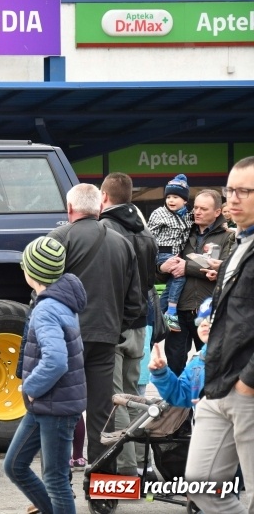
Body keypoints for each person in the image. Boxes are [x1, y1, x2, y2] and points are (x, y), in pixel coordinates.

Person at [47, 183, 142, 471]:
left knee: (61, 409)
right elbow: (135, 301)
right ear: (99, 207)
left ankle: (58, 481)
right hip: (105, 338)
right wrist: (115, 327)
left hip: (66, 338)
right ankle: (103, 483)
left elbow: (43, 291)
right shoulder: (122, 243)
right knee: (102, 414)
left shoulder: (58, 238)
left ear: (69, 208)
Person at [185, 157, 254, 513]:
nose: (234, 198)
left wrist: (248, 383)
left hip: (246, 387)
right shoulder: (238, 243)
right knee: (200, 483)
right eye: (231, 189)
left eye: (245, 191)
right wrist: (211, 324)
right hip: (219, 381)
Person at [5, 236, 87, 514]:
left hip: (54, 405)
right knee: (14, 465)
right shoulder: (59, 302)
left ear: (32, 272)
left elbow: (56, 360)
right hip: (47, 404)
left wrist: (31, 387)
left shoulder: (46, 309)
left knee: (55, 479)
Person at [99, 172, 158, 477]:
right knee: (135, 396)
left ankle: (126, 469)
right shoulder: (146, 232)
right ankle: (144, 463)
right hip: (140, 323)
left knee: (116, 399)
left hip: (115, 323)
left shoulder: (105, 231)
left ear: (104, 196)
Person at [157, 189, 235, 376]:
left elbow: (226, 269)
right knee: (175, 366)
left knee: (209, 368)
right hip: (178, 313)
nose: (197, 212)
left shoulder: (228, 236)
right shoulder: (182, 231)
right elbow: (162, 274)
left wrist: (187, 267)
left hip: (208, 313)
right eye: (196, 208)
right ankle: (177, 397)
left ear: (217, 212)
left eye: (204, 209)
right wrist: (162, 268)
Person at [147, 174, 193, 331]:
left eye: (175, 197)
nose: (171, 200)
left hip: (178, 253)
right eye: (168, 197)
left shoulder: (189, 215)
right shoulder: (159, 213)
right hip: (162, 253)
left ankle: (158, 316)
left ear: (185, 200)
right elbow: (149, 236)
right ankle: (171, 312)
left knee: (173, 283)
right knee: (180, 275)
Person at [149, 297, 211, 409]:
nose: (204, 324)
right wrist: (162, 374)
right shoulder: (198, 360)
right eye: (200, 320)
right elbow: (182, 395)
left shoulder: (241, 358)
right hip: (202, 421)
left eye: (210, 319)